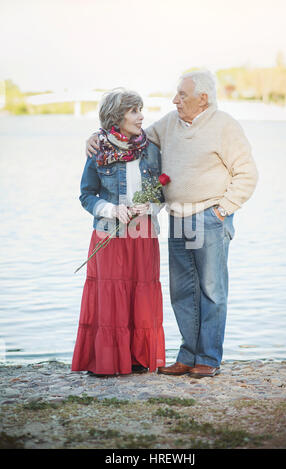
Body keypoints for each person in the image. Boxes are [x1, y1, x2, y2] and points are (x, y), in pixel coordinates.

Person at [86, 71, 258, 378]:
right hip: (178, 219)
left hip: (209, 217)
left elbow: (247, 173)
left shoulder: (225, 126)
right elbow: (130, 137)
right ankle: (187, 356)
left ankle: (208, 358)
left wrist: (223, 211)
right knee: (183, 292)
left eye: (181, 94)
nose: (174, 99)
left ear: (202, 98)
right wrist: (96, 137)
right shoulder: (168, 124)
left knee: (212, 291)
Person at [72, 88, 165, 376]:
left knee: (141, 293)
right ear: (117, 117)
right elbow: (86, 195)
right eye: (134, 111)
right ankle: (107, 362)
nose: (141, 116)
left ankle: (136, 359)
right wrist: (112, 210)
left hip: (143, 234)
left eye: (141, 109)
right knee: (110, 295)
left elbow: (161, 194)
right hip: (108, 234)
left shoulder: (150, 149)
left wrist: (150, 205)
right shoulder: (98, 149)